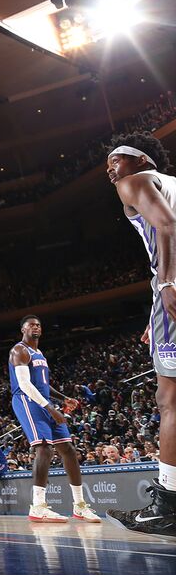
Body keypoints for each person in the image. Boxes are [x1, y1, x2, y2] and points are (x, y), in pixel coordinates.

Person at [105, 133, 176, 536]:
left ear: (141, 159)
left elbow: (166, 224)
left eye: (115, 160)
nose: (110, 171)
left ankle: (167, 505)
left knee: (170, 398)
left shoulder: (135, 181)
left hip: (173, 284)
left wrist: (165, 283)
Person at [8, 315, 101, 523]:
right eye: (31, 324)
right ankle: (38, 507)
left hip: (43, 400)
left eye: (39, 324)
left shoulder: (39, 353)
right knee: (44, 448)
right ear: (22, 329)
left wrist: (63, 398)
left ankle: (80, 506)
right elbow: (25, 385)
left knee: (67, 449)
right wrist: (51, 408)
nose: (36, 327)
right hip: (26, 401)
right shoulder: (19, 350)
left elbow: (42, 384)